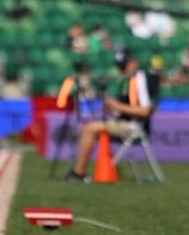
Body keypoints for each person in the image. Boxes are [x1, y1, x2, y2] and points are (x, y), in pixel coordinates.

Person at [65, 49, 154, 181]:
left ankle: (78, 172)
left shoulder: (140, 79)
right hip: (123, 121)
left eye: (124, 65)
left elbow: (145, 111)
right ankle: (89, 171)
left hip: (134, 126)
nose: (122, 69)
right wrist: (112, 108)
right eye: (120, 66)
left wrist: (116, 105)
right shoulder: (127, 80)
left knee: (89, 128)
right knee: (91, 127)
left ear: (134, 63)